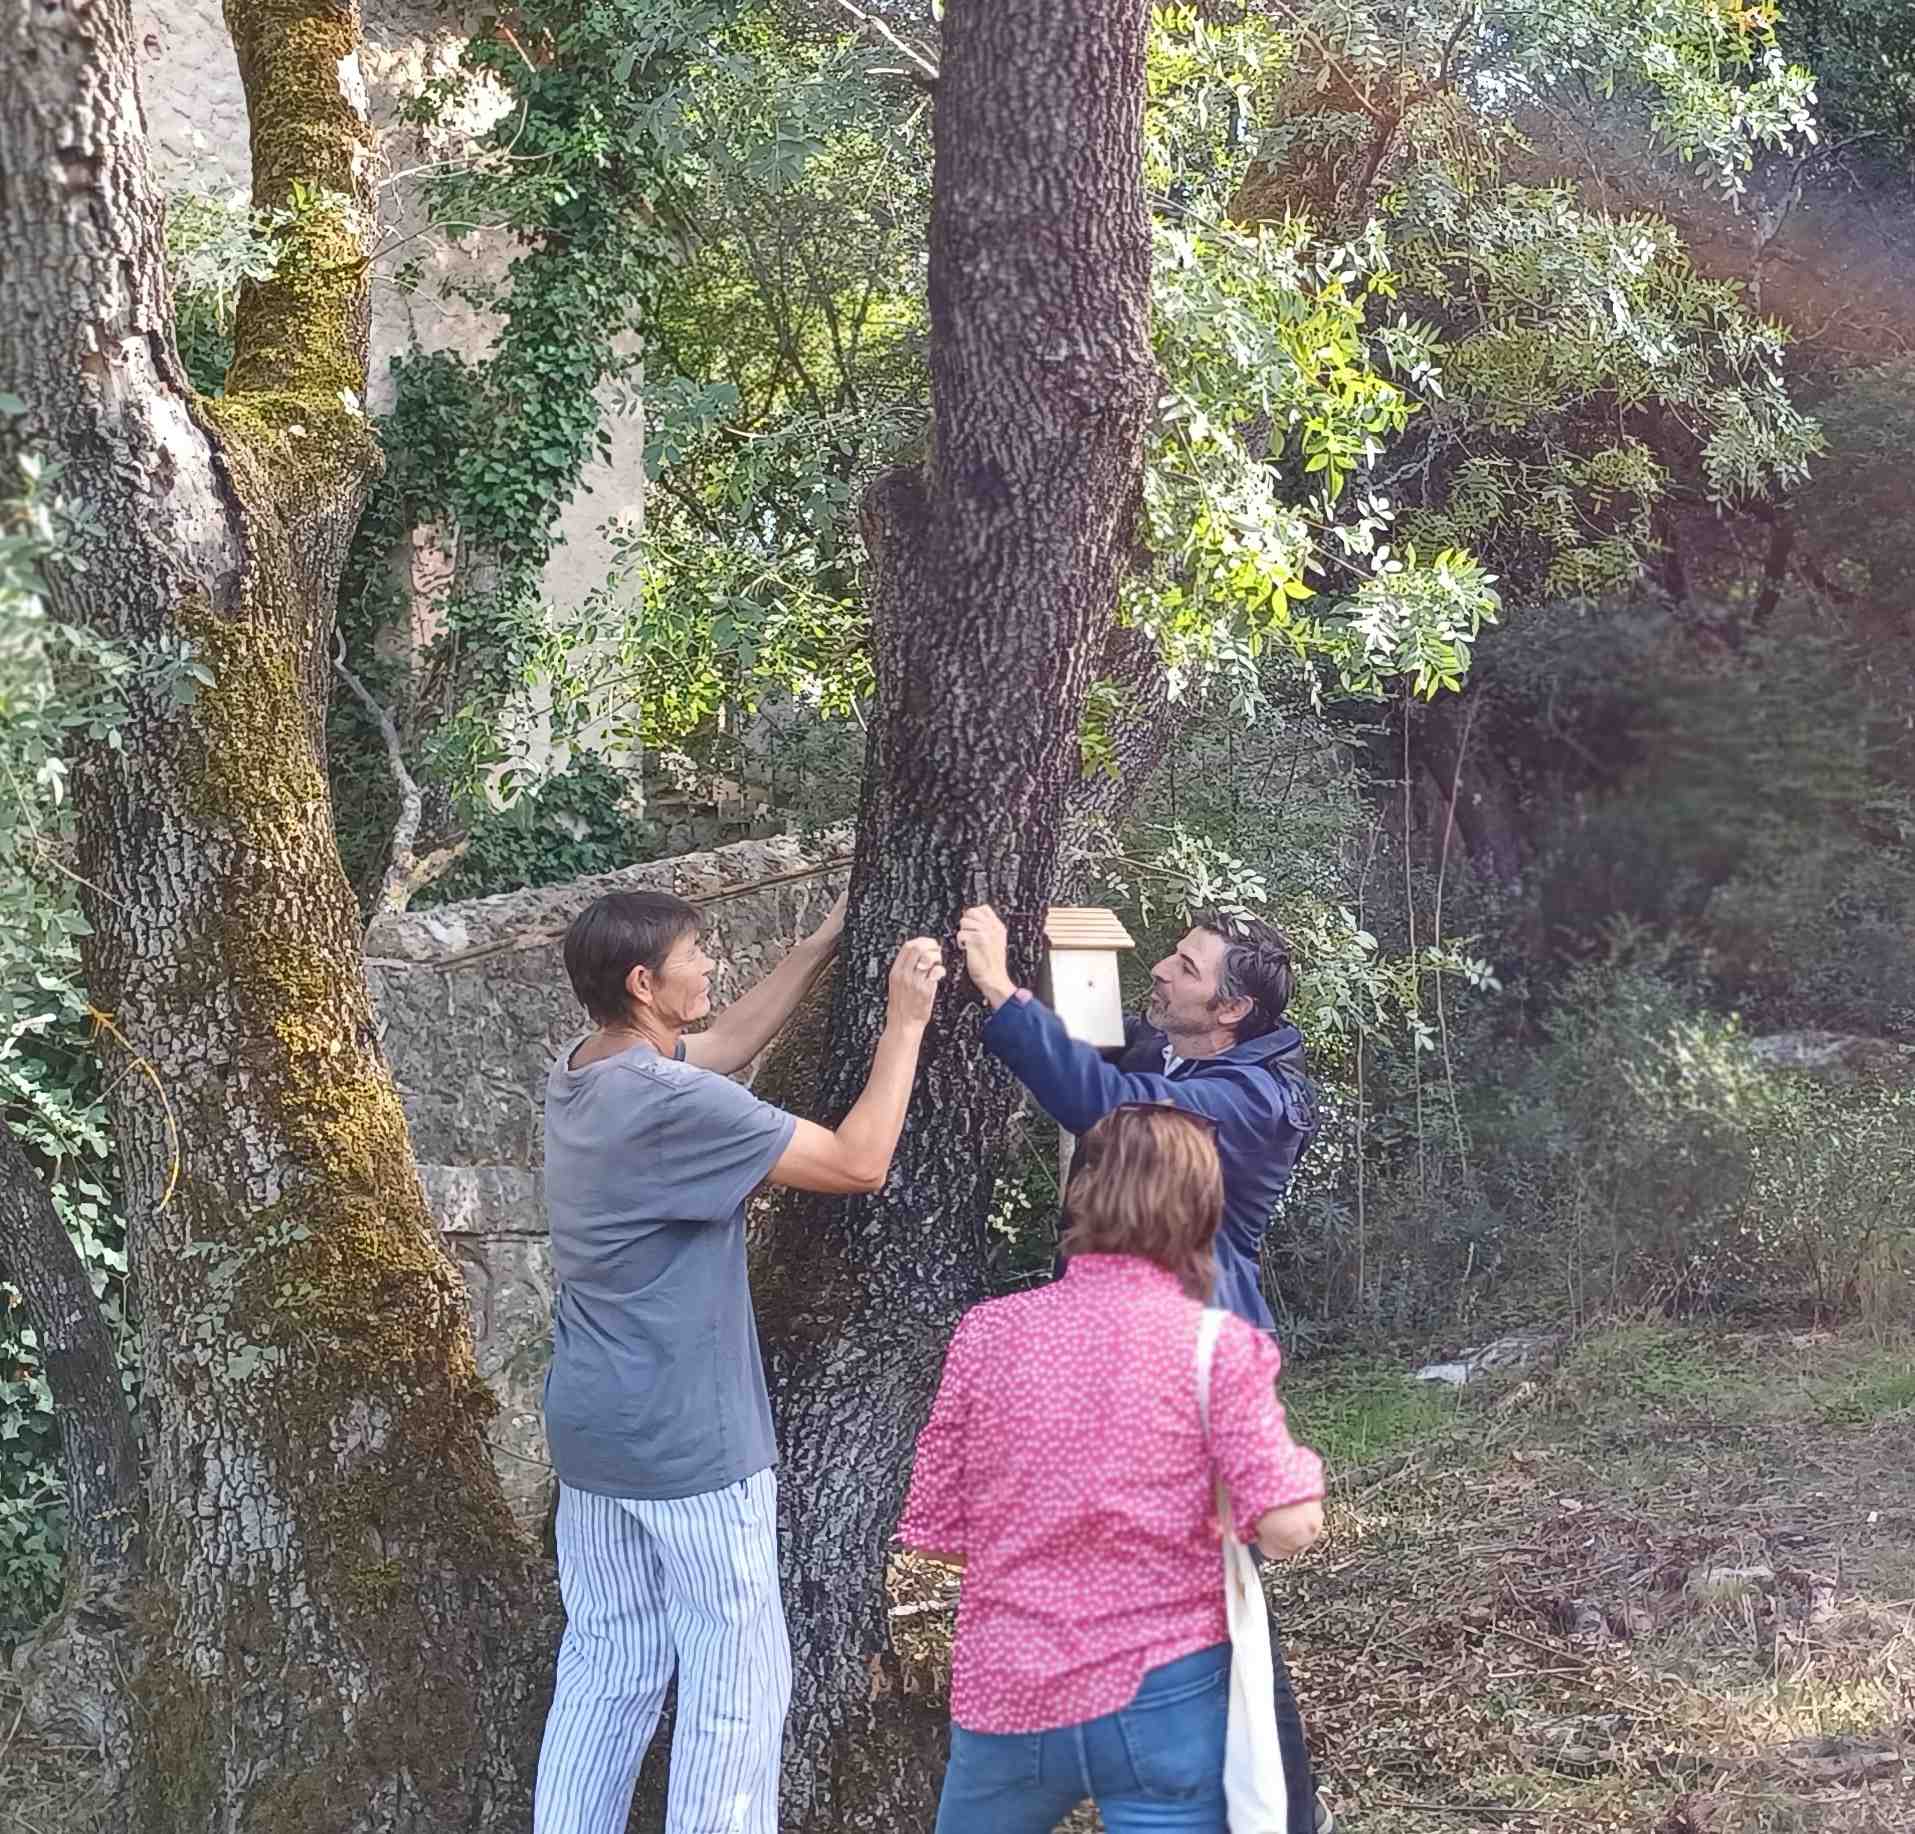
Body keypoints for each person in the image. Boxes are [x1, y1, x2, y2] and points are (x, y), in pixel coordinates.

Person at [533, 886, 945, 1834]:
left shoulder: (583, 1071)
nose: (711, 963)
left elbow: (723, 1045)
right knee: (735, 1681)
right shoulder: (671, 1102)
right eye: (697, 953)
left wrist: (819, 944)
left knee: (608, 1661)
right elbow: (857, 1162)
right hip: (688, 1435)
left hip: (593, 1427)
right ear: (645, 982)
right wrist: (905, 1022)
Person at [956, 901, 1331, 1832]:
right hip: (1114, 1344)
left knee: (1222, 1597)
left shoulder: (1251, 1100)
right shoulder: (1173, 1051)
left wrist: (999, 990)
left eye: (1186, 967)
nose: (1161, 969)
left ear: (1231, 1010)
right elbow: (1099, 1045)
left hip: (1193, 1354)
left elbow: (1108, 1107)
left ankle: (1283, 1812)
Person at [899, 1103, 1326, 1834]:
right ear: (1201, 1209)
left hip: (1010, 1684)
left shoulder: (986, 1333)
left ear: (1081, 1195)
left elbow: (937, 1535)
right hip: (1164, 1689)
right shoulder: (1216, 1348)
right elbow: (1288, 1528)